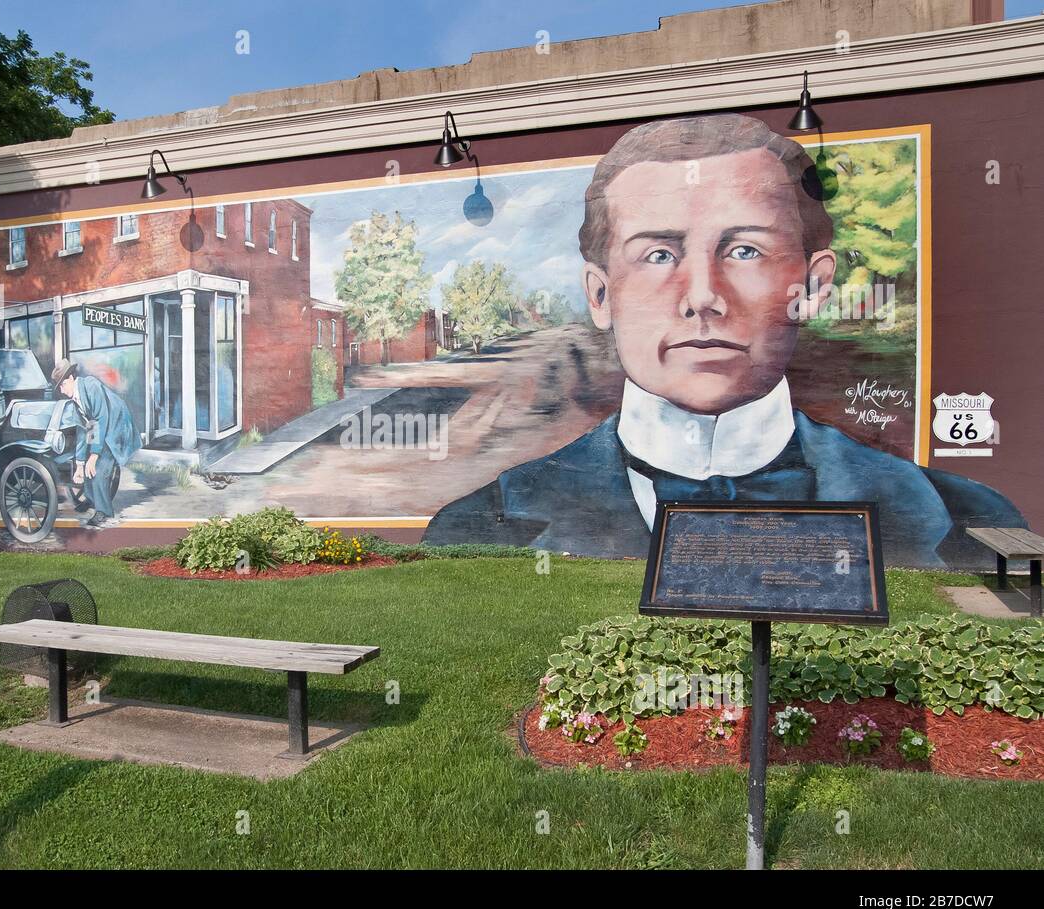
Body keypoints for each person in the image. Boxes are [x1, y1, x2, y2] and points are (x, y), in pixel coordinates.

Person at [424, 113, 1025, 569]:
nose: (702, 296)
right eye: (659, 254)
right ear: (601, 295)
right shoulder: (475, 528)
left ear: (813, 285)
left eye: (744, 250)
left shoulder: (970, 519)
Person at [52, 359, 141, 528]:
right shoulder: (75, 402)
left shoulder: (91, 385)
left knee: (99, 468)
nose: (62, 391)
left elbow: (101, 418)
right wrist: (80, 464)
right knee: (86, 464)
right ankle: (92, 500)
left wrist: (94, 456)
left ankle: (104, 512)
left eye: (63, 385)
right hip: (100, 427)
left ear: (71, 378)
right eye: (60, 388)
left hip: (116, 427)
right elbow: (82, 431)